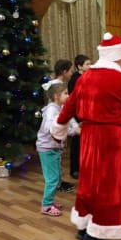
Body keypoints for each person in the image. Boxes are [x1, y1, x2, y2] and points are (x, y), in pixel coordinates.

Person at [51, 33, 121, 240]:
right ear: (119, 56)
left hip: (88, 136)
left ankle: (85, 227)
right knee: (108, 187)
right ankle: (94, 238)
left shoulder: (86, 77)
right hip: (110, 139)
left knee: (89, 183)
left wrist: (59, 127)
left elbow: (69, 105)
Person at [36, 82, 80, 216]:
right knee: (52, 179)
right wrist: (69, 131)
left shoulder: (59, 108)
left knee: (57, 177)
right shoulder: (51, 110)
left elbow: (63, 127)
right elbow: (50, 128)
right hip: (47, 148)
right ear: (56, 96)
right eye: (66, 93)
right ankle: (46, 206)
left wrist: (75, 130)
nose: (68, 95)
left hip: (53, 148)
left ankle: (50, 201)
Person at [42, 59, 75, 193]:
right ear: (64, 71)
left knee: (58, 156)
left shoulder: (59, 84)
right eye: (70, 70)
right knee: (56, 157)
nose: (72, 73)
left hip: (59, 124)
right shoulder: (57, 86)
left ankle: (58, 182)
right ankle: (57, 183)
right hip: (56, 126)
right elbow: (59, 109)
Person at [67, 54, 91, 179]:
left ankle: (84, 167)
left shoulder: (87, 76)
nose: (90, 66)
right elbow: (75, 99)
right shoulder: (75, 79)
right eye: (87, 64)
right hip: (78, 114)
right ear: (79, 66)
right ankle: (74, 169)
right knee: (77, 143)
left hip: (86, 113)